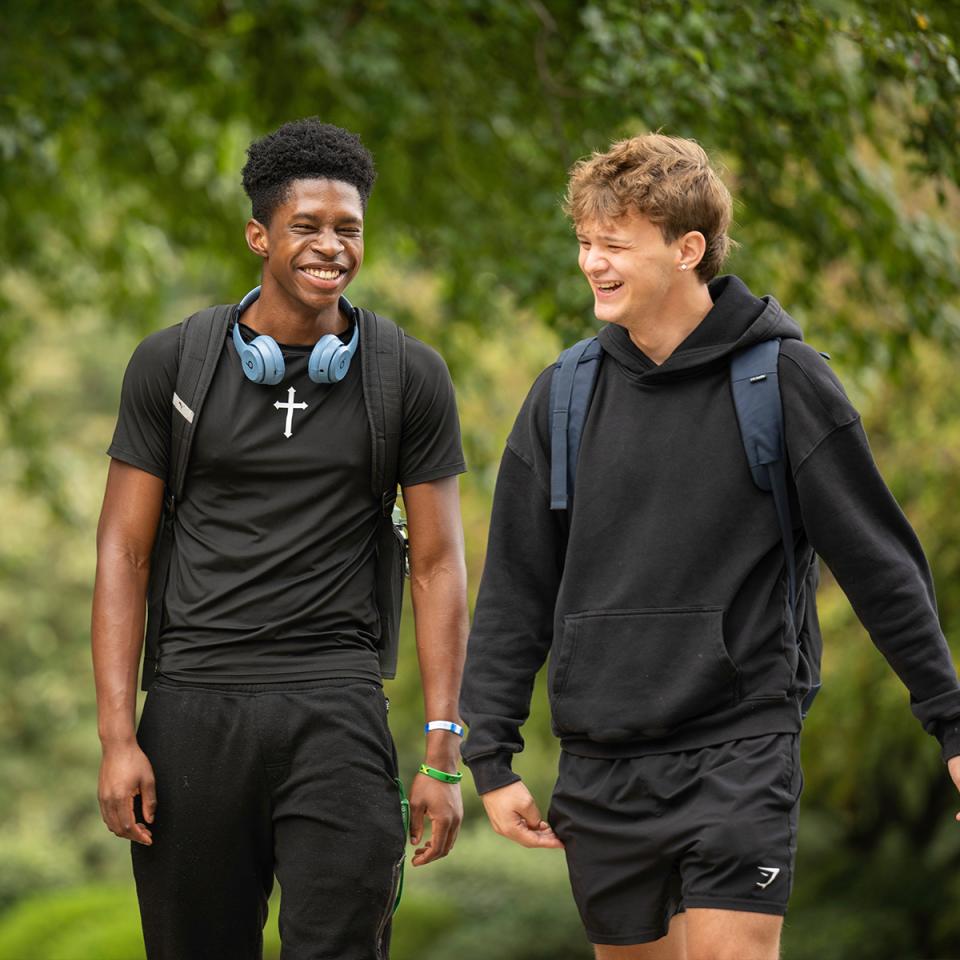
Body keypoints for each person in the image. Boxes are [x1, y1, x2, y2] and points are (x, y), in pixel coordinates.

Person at [460, 133, 960, 960]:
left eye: (614, 244)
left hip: (741, 746)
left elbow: (880, 565)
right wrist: (491, 752)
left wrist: (951, 721)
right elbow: (516, 589)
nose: (591, 263)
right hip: (602, 760)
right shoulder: (563, 396)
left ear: (688, 249)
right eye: (585, 242)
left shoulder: (784, 381)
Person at [92, 118, 469, 960]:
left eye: (348, 229)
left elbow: (440, 565)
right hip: (193, 706)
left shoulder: (407, 375)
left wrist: (443, 752)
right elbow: (123, 554)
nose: (331, 246)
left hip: (337, 707)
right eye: (307, 226)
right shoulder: (171, 365)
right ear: (259, 235)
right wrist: (118, 739)